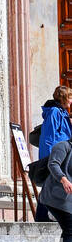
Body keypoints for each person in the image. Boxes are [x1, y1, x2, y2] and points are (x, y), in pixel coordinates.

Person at [35, 85, 72, 221]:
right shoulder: (54, 112)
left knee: (56, 187)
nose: (71, 100)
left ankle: (49, 216)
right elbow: (48, 138)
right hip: (54, 157)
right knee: (50, 187)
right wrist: (48, 161)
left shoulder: (63, 113)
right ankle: (41, 217)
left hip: (63, 156)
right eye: (70, 97)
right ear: (64, 98)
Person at [38, 136, 72, 242]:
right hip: (54, 196)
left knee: (68, 229)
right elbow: (53, 164)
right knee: (70, 227)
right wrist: (64, 180)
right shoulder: (63, 146)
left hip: (67, 199)